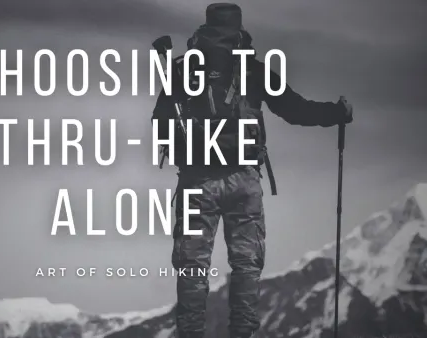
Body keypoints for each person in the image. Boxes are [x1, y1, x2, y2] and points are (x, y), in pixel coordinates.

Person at [151, 3, 353, 338]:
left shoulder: (181, 69)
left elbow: (161, 123)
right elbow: (295, 109)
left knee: (192, 267)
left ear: (206, 26)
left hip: (196, 180)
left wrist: (184, 146)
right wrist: (337, 112)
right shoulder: (253, 70)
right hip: (244, 180)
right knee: (245, 266)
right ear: (240, 28)